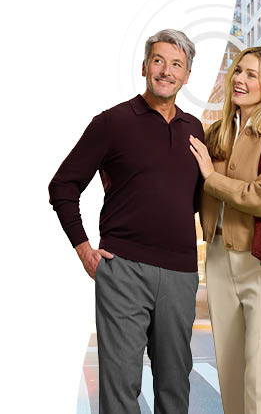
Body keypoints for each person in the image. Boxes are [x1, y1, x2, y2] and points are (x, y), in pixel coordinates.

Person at [48, 30, 202, 413]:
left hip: (181, 273)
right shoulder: (112, 122)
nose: (166, 71)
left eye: (176, 64)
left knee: (174, 385)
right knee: (119, 387)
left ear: (187, 76)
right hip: (124, 269)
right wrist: (84, 249)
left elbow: (198, 201)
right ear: (145, 66)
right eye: (159, 61)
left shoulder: (195, 130)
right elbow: (63, 186)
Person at [190, 46, 261, 412]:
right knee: (231, 370)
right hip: (219, 259)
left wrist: (211, 177)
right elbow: (189, 189)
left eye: (251, 74)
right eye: (238, 71)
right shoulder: (217, 132)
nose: (239, 79)